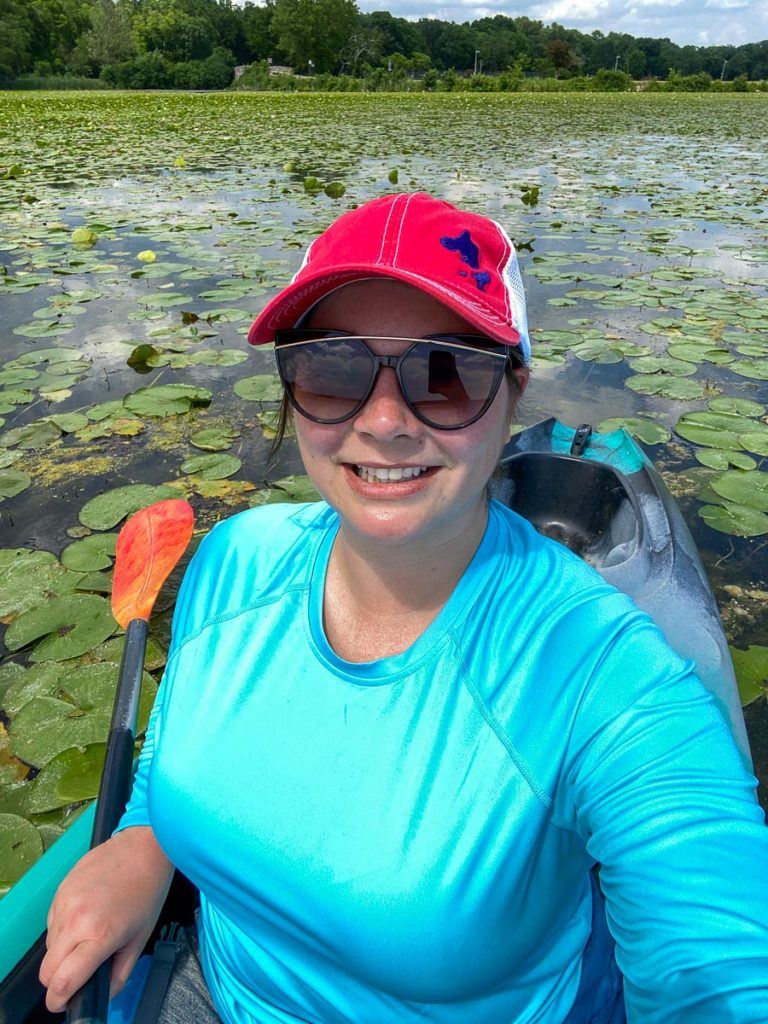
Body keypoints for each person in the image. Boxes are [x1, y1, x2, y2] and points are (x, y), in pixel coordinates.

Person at [41, 193, 768, 1023]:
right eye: (335, 368)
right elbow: (181, 735)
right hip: (219, 988)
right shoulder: (233, 561)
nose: (384, 421)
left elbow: (718, 968)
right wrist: (143, 839)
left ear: (514, 392)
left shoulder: (597, 676)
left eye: (447, 374)